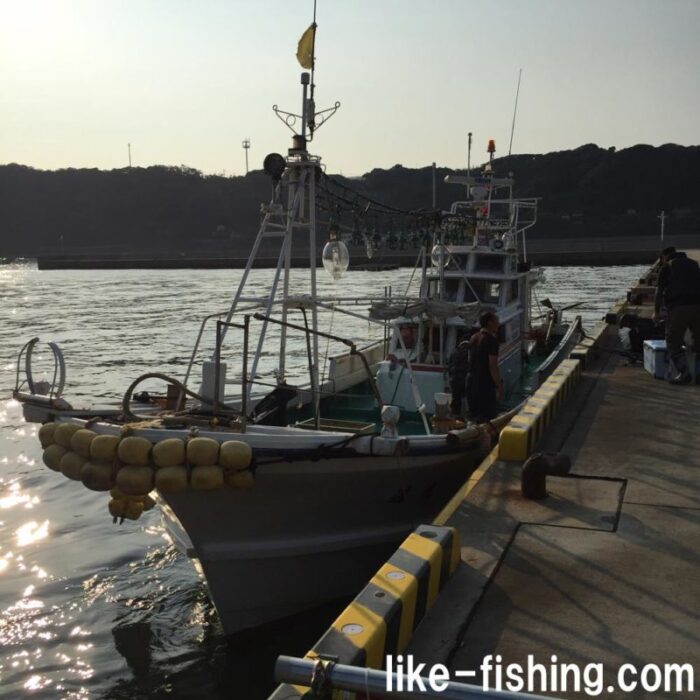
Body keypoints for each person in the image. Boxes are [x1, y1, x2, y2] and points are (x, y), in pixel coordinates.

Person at [653, 247, 700, 384]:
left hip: (680, 307)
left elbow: (659, 292)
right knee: (698, 341)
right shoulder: (694, 264)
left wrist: (656, 312)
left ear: (664, 257)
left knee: (673, 341)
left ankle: (684, 372)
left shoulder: (667, 266)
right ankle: (698, 373)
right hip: (698, 306)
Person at [466, 311, 504, 420]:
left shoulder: (473, 337)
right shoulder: (492, 341)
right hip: (484, 384)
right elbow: (493, 365)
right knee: (487, 417)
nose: (498, 324)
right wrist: (499, 385)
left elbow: (469, 360)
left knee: (474, 416)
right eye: (496, 321)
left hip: (471, 381)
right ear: (490, 322)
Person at [447, 333, 470, 416]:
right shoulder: (470, 351)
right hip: (466, 379)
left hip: (455, 379)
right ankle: (468, 416)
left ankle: (455, 416)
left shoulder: (454, 352)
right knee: (468, 399)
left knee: (456, 400)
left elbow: (449, 366)